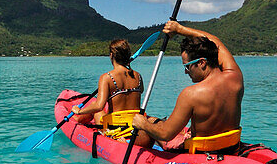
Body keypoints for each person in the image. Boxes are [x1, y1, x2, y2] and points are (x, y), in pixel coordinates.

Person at [133, 20, 244, 154]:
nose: (186, 71)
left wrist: (143, 124)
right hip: (231, 148)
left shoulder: (191, 94)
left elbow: (166, 134)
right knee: (155, 121)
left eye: (187, 66)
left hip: (201, 154)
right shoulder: (235, 77)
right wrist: (180, 29)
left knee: (149, 123)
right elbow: (215, 42)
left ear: (202, 62)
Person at [73, 38, 153, 148]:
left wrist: (79, 111)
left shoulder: (107, 77)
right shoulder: (138, 76)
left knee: (96, 111)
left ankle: (76, 120)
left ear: (111, 55)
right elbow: (141, 90)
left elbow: (98, 106)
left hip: (118, 132)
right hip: (139, 131)